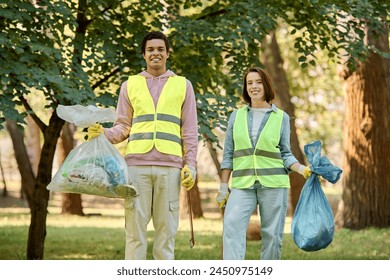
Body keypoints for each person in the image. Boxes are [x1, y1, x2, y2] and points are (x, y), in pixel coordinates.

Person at [87, 31, 198, 260]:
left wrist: (192, 165)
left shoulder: (183, 85)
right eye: (150, 50)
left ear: (168, 53)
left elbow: (189, 131)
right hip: (136, 168)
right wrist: (103, 134)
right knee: (135, 232)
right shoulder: (130, 85)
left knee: (166, 233)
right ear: (143, 55)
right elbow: (123, 127)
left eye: (160, 49)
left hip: (170, 168)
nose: (155, 53)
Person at [216, 66, 311, 260]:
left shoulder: (281, 117)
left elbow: (285, 153)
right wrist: (224, 187)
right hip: (243, 184)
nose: (254, 86)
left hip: (274, 184)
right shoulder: (236, 116)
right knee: (231, 226)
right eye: (249, 83)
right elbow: (228, 154)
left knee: (272, 235)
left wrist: (302, 169)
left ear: (266, 85)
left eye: (258, 82)